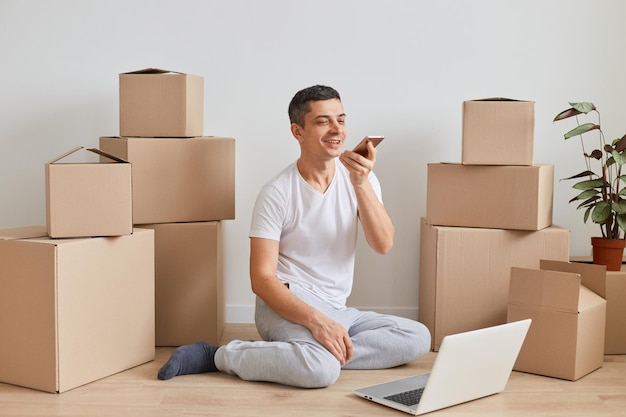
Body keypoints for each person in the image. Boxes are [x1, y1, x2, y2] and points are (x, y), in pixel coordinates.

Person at [158, 85, 431, 388]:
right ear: (297, 131)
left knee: (417, 337)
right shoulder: (277, 192)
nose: (336, 129)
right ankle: (219, 356)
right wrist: (316, 321)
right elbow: (261, 279)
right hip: (285, 303)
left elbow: (383, 244)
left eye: (341, 119)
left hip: (337, 308)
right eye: (323, 121)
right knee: (320, 371)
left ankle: (312, 353)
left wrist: (361, 183)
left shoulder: (361, 179)